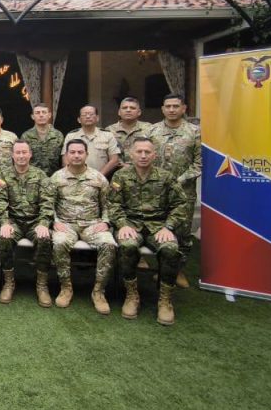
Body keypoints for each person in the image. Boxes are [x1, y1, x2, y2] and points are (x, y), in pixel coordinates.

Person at [107, 136, 190, 326]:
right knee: (127, 246)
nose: (143, 155)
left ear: (154, 155)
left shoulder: (166, 177)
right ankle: (132, 295)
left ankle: (165, 300)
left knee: (170, 249)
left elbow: (180, 205)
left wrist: (168, 227)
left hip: (159, 226)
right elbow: (112, 204)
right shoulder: (121, 176)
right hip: (130, 225)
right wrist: (122, 224)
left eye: (147, 152)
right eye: (139, 151)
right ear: (131, 154)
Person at [47, 138, 116, 314]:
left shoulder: (98, 178)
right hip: (66, 224)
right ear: (66, 155)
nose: (76, 155)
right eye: (72, 152)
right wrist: (55, 221)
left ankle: (98, 291)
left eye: (80, 152)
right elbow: (48, 204)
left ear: (86, 154)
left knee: (108, 244)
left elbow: (108, 204)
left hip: (92, 224)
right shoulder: (57, 177)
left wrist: (105, 221)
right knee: (59, 243)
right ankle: (66, 287)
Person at [147, 93, 201, 288]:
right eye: (168, 106)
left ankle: (177, 271)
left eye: (175, 106)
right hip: (155, 191)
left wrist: (179, 180)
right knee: (157, 229)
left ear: (183, 108)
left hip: (183, 192)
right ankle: (160, 268)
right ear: (162, 109)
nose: (171, 109)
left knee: (182, 233)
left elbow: (200, 163)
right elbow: (143, 157)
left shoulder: (195, 132)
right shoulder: (152, 131)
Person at [0, 140, 52, 304]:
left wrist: (43, 223)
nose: (21, 156)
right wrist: (4, 222)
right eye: (18, 152)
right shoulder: (3, 175)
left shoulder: (40, 175)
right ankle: (8, 282)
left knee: (44, 239)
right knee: (4, 238)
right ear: (12, 155)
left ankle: (41, 285)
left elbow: (47, 202)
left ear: (30, 154)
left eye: (24, 152)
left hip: (35, 221)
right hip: (13, 221)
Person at [62, 104, 121, 177]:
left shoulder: (108, 135)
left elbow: (114, 160)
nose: (88, 116)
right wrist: (74, 176)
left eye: (91, 114)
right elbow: (65, 158)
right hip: (75, 178)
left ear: (97, 118)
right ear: (79, 120)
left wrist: (99, 176)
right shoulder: (71, 136)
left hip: (101, 178)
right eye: (84, 115)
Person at [20, 103, 64, 176]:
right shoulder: (26, 136)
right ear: (32, 116)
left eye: (44, 112)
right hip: (32, 178)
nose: (41, 115)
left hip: (54, 177)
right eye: (37, 113)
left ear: (49, 115)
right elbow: (22, 158)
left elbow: (63, 159)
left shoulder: (58, 135)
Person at [106, 96, 151, 163]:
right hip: (116, 168)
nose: (128, 110)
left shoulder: (149, 128)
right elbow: (106, 154)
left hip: (142, 166)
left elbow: (153, 151)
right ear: (119, 112)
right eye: (124, 108)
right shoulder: (109, 130)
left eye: (132, 108)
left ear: (139, 112)